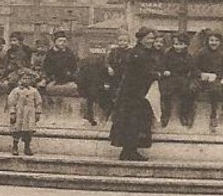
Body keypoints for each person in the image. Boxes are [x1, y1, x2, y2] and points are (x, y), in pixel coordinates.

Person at [109, 28, 160, 161]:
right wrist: (157, 75)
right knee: (132, 122)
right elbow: (143, 72)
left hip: (136, 93)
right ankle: (129, 151)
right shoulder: (137, 53)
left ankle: (129, 150)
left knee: (134, 122)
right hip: (132, 94)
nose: (151, 41)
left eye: (152, 39)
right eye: (149, 38)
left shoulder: (142, 52)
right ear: (141, 39)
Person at [158, 33, 196, 129]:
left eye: (181, 44)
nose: (177, 47)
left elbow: (192, 68)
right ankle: (166, 114)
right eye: (175, 44)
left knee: (187, 92)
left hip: (182, 78)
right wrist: (164, 71)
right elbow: (162, 64)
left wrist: (191, 76)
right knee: (166, 93)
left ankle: (183, 114)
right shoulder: (168, 54)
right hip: (169, 77)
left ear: (186, 45)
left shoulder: (188, 56)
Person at [194, 33, 223, 132]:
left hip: (215, 79)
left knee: (216, 90)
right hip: (202, 78)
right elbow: (194, 67)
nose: (213, 43)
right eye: (211, 40)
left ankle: (213, 116)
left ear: (220, 42)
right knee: (192, 88)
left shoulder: (222, 55)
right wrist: (201, 74)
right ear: (207, 41)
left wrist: (218, 76)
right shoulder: (201, 53)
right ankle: (190, 114)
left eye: (216, 41)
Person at [5, 69, 42, 156]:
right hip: (19, 113)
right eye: (24, 78)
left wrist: (38, 113)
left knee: (28, 131)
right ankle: (15, 147)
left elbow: (38, 102)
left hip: (29, 114)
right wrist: (12, 112)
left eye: (28, 79)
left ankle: (27, 147)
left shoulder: (34, 91)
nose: (26, 81)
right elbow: (11, 102)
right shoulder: (16, 91)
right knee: (17, 130)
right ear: (20, 80)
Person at [75, 44, 114, 126]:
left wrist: (106, 84)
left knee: (100, 98)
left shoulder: (104, 64)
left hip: (100, 87)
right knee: (92, 96)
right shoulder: (85, 63)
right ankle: (90, 116)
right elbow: (80, 77)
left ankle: (94, 117)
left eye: (99, 52)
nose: (96, 55)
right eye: (94, 52)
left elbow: (108, 77)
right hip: (88, 87)